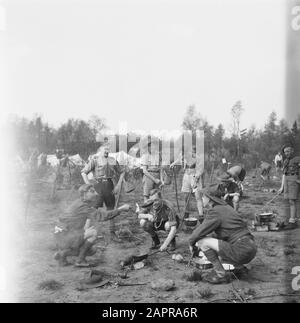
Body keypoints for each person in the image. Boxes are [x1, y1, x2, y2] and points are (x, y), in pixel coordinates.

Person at [188, 184, 257, 284]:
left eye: (204, 196)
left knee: (202, 242)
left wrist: (191, 243)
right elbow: (223, 234)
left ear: (210, 199)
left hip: (241, 250)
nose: (202, 198)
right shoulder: (227, 208)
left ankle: (221, 274)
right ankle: (240, 269)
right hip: (251, 247)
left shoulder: (215, 211)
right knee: (219, 246)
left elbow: (198, 232)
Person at [54, 184, 130, 266]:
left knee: (92, 250)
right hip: (64, 235)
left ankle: (62, 255)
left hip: (63, 234)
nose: (96, 194)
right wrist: (120, 209)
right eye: (92, 191)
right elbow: (102, 216)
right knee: (93, 233)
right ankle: (80, 260)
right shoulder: (83, 206)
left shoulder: (80, 203)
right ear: (84, 193)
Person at [81, 144, 125, 241]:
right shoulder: (95, 160)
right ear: (100, 151)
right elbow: (83, 172)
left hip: (110, 186)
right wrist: (89, 186)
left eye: (108, 150)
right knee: (93, 210)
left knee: (111, 209)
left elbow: (122, 172)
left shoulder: (113, 160)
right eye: (105, 150)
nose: (107, 151)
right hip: (98, 187)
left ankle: (112, 233)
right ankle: (87, 232)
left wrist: (118, 185)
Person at [170, 145, 205, 219]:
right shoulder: (185, 155)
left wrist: (197, 176)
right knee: (186, 196)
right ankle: (186, 213)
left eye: (193, 151)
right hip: (186, 177)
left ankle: (201, 215)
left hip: (195, 177)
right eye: (191, 151)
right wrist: (173, 164)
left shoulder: (198, 157)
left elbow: (201, 169)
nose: (191, 152)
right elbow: (179, 160)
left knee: (197, 196)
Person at [278, 144, 300, 230]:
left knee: (292, 201)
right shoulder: (285, 161)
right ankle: (292, 219)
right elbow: (284, 174)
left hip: (294, 179)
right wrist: (282, 187)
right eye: (285, 152)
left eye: (288, 151)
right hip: (287, 180)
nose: (286, 153)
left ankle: (292, 222)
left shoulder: (297, 159)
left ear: (292, 151)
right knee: (288, 200)